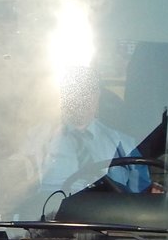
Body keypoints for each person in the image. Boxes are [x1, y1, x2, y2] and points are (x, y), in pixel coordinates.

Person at [33, 66, 151, 196]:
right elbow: (19, 190)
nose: (83, 98)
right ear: (64, 95)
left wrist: (152, 193)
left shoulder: (123, 144)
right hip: (53, 212)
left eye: (89, 91)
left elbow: (142, 197)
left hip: (109, 212)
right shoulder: (37, 139)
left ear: (98, 95)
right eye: (76, 91)